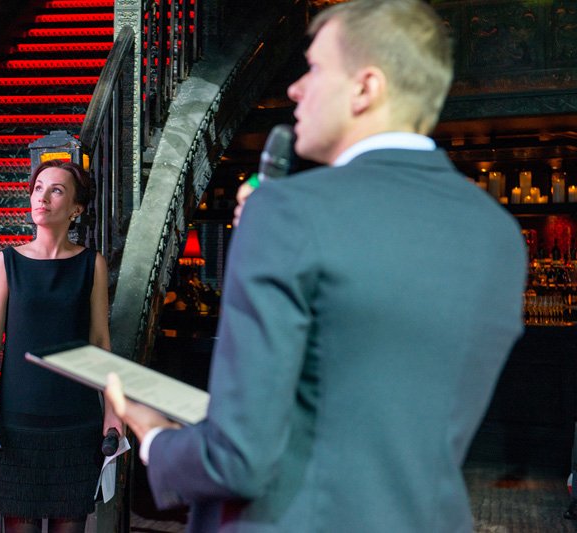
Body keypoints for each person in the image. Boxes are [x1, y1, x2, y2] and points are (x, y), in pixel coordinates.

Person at [106, 1, 528, 531]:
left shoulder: (287, 214)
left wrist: (156, 435)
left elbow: (238, 460)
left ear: (365, 88)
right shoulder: (498, 234)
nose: (294, 89)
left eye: (315, 69)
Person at [0, 160, 123, 533]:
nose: (42, 197)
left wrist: (113, 411)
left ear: (76, 208)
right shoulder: (7, 261)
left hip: (76, 422)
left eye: (56, 190)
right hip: (17, 422)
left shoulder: (91, 264)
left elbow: (100, 342)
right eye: (38, 188)